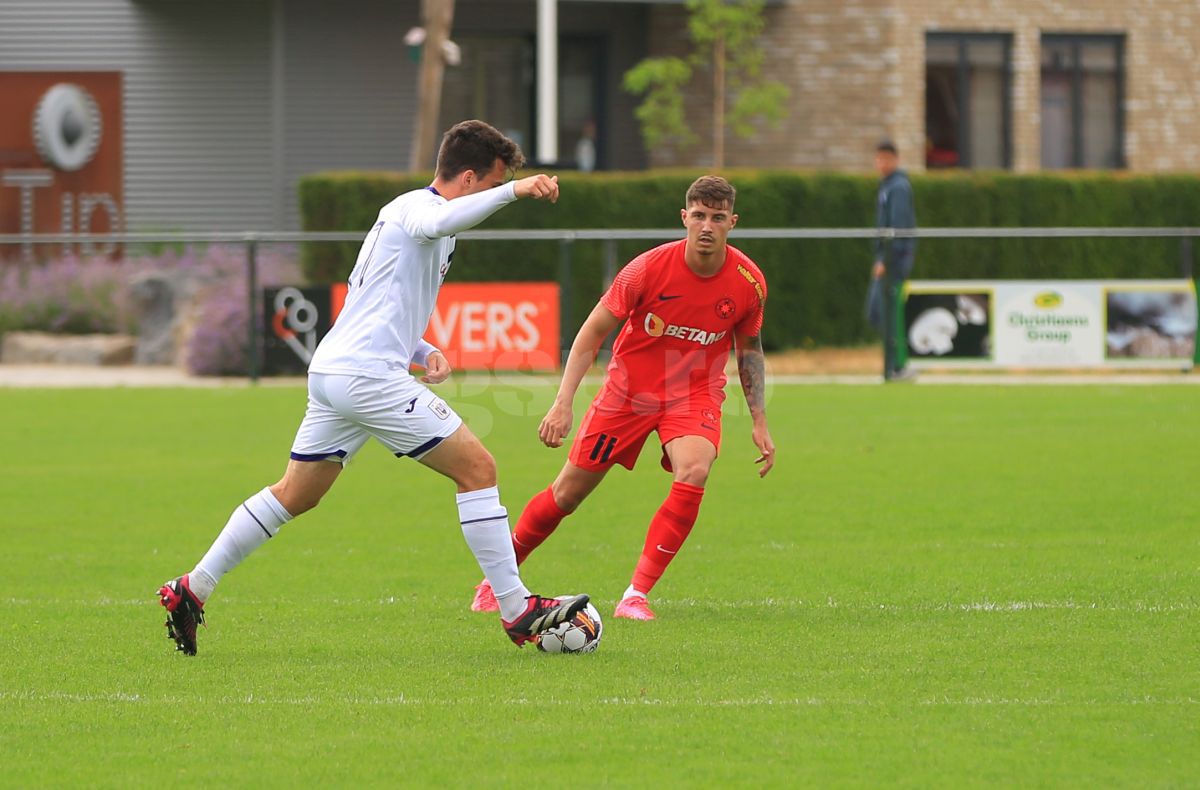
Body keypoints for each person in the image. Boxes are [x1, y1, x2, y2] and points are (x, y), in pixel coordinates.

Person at [157, 120, 589, 655]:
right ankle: (517, 609)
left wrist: (420, 347)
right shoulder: (416, 210)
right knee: (478, 469)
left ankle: (190, 589)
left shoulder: (410, 218)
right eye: (492, 183)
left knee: (296, 494)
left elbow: (376, 303)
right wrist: (516, 190)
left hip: (339, 371)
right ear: (471, 177)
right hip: (365, 376)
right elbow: (441, 219)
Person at [470, 175, 775, 621]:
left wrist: (760, 420)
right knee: (566, 495)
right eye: (699, 215)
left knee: (694, 469)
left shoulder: (749, 281)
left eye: (718, 217)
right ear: (684, 217)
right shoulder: (646, 269)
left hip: (695, 393)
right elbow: (592, 332)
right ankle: (497, 581)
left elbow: (749, 351)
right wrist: (563, 401)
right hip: (628, 394)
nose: (707, 225)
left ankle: (635, 595)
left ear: (733, 222)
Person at [866, 139, 917, 380]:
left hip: (894, 259)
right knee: (880, 311)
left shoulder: (898, 187)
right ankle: (894, 365)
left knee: (887, 311)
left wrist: (885, 258)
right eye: (878, 159)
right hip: (887, 257)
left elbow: (898, 226)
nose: (881, 164)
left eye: (885, 159)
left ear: (895, 160)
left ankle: (897, 366)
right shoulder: (886, 186)